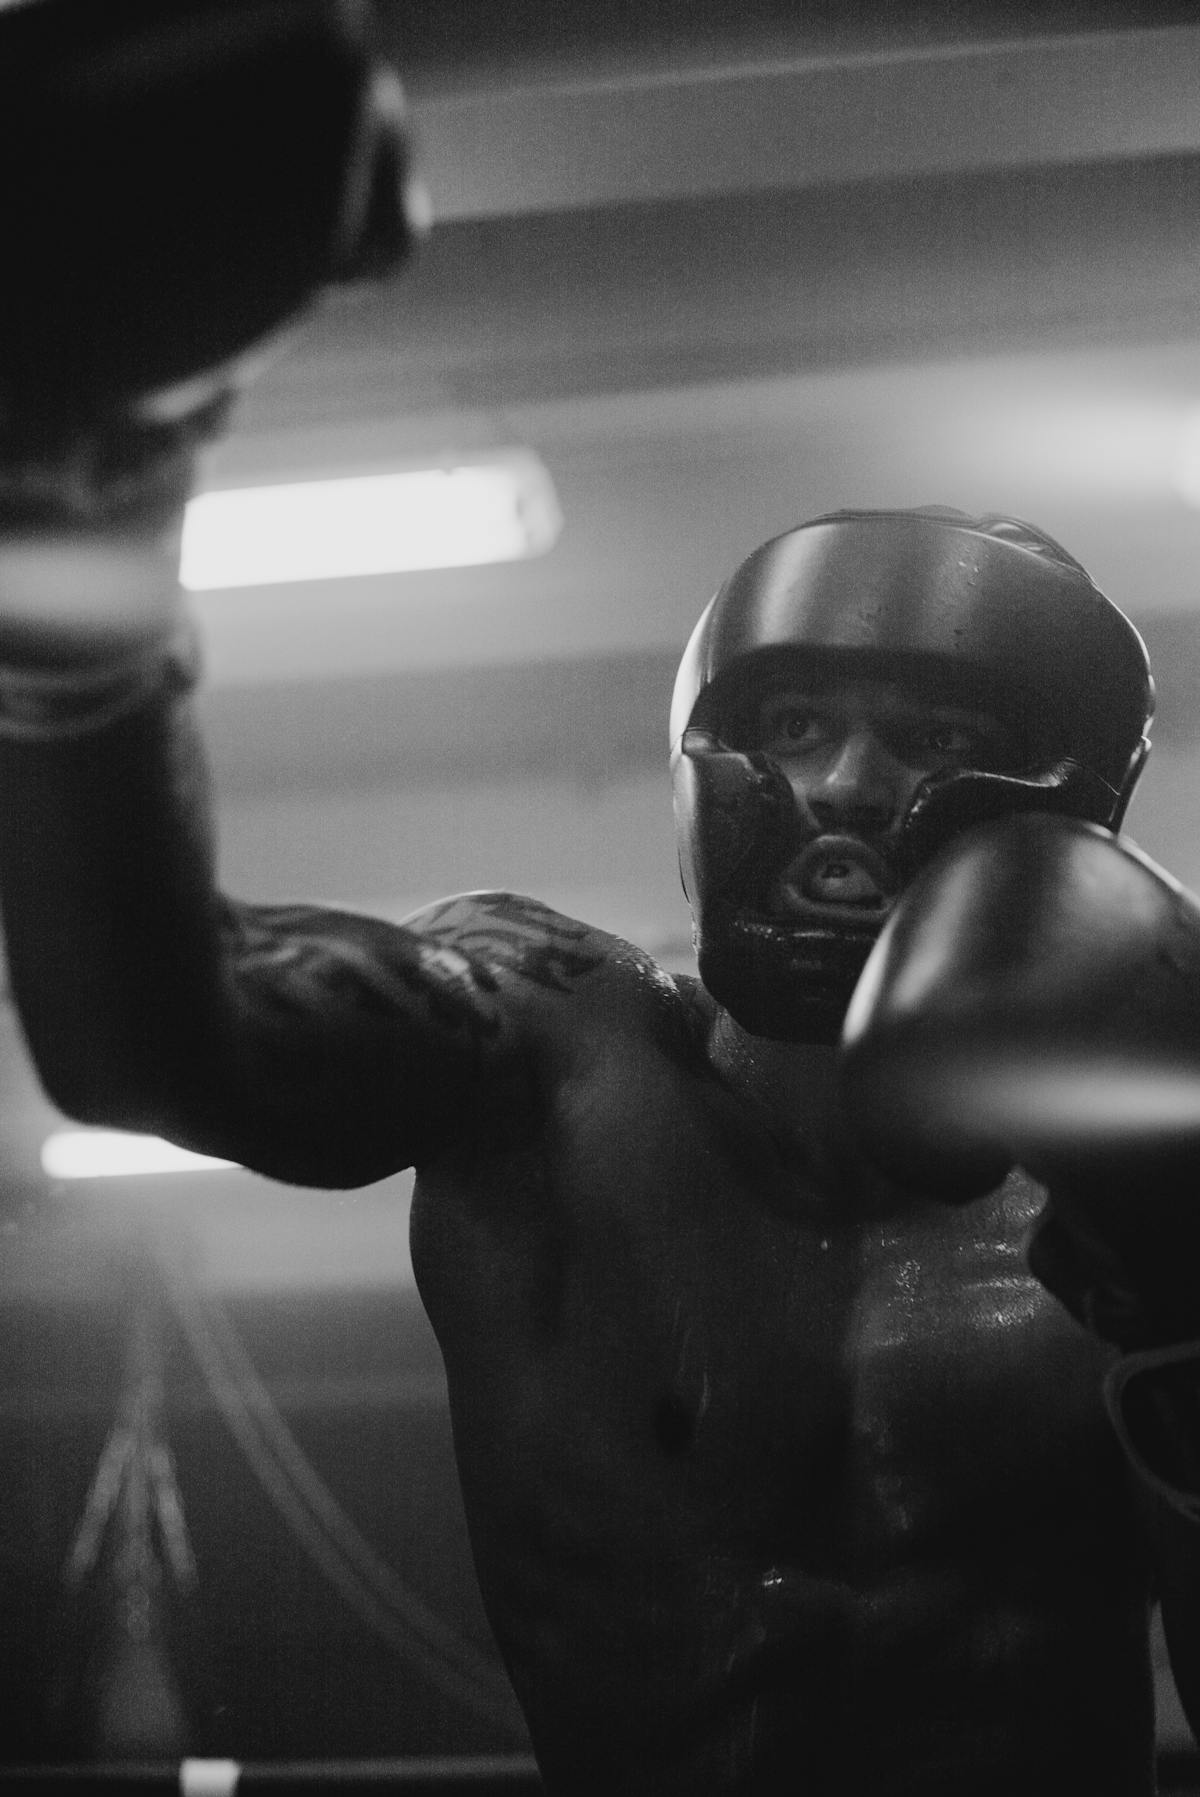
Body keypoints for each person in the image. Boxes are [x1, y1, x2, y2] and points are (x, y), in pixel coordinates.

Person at [6, 6, 1200, 1794]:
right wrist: (80, 502)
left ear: (1077, 811)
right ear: (699, 757)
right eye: (793, 721)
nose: (854, 789)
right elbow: (152, 1045)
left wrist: (1187, 1294)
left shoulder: (1143, 1164)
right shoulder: (537, 1057)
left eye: (937, 732)